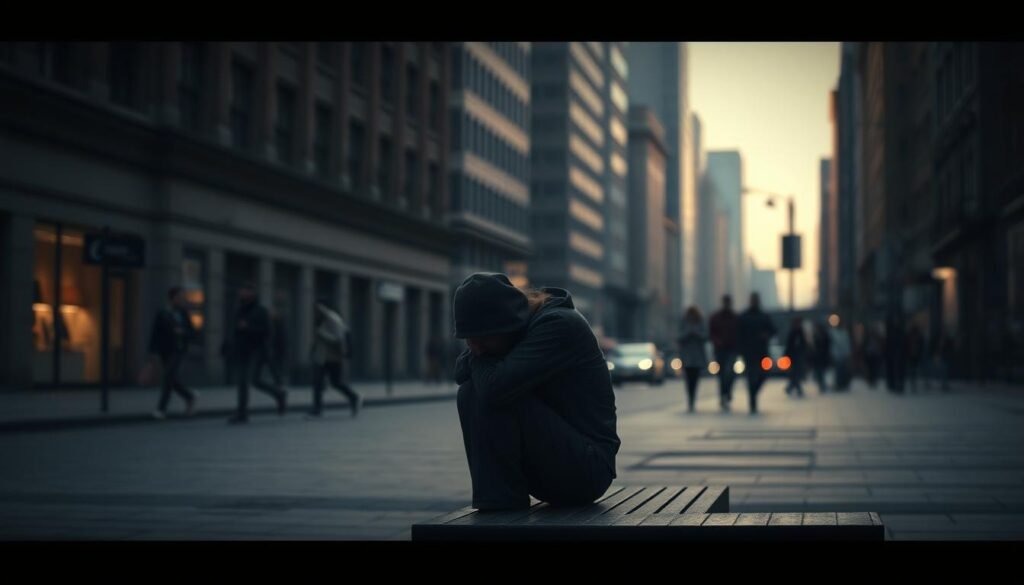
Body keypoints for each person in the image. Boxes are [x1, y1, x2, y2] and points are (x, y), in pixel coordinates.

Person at [454, 273, 620, 511]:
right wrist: (482, 352)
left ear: (508, 323)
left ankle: (500, 503)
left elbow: (492, 388)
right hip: (557, 462)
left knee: (485, 391)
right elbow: (461, 372)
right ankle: (498, 501)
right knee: (472, 390)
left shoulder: (559, 325)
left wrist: (478, 358)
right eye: (468, 340)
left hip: (588, 469)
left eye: (482, 339)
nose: (475, 347)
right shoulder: (517, 333)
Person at [228, 282, 287, 424]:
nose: (241, 293)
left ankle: (278, 395)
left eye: (244, 290)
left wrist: (248, 327)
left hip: (257, 351)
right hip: (242, 351)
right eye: (241, 290)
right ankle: (242, 413)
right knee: (243, 381)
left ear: (251, 293)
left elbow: (266, 331)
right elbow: (235, 331)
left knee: (255, 381)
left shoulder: (260, 311)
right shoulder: (239, 310)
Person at [148, 286, 198, 419]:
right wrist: (152, 351)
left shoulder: (183, 313)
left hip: (179, 349)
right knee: (170, 379)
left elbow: (193, 332)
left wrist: (183, 333)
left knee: (168, 377)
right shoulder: (163, 313)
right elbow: (155, 333)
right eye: (179, 297)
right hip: (165, 349)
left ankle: (161, 409)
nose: (182, 300)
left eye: (182, 297)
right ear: (172, 298)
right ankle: (189, 396)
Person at [308, 301, 362, 418]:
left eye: (318, 308)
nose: (316, 311)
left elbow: (338, 340)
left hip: (333, 358)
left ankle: (354, 397)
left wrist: (323, 334)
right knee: (318, 382)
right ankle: (317, 409)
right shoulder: (323, 320)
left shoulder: (333, 320)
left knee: (336, 383)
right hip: (323, 357)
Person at [738, 293, 776, 414]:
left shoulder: (764, 316)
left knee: (764, 374)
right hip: (749, 352)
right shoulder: (744, 316)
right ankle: (752, 398)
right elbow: (738, 333)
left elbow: (773, 330)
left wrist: (766, 335)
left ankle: (754, 392)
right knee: (750, 376)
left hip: (761, 352)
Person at [709, 295, 739, 411]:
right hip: (720, 350)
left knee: (730, 373)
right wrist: (718, 342)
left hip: (732, 349)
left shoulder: (735, 318)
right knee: (722, 375)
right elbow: (712, 334)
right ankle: (723, 395)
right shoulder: (716, 317)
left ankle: (727, 392)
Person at [677, 306, 708, 413]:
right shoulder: (683, 322)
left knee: (695, 379)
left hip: (697, 357)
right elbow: (679, 337)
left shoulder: (700, 322)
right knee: (688, 379)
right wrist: (688, 332)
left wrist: (696, 333)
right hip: (687, 357)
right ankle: (690, 399)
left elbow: (705, 336)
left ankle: (692, 398)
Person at [783, 317, 810, 398]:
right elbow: (789, 346)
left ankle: (791, 388)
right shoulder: (793, 333)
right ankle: (796, 389)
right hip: (793, 358)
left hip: (799, 357)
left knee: (797, 374)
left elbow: (804, 345)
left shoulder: (800, 333)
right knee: (795, 374)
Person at [811, 321, 832, 394]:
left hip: (822, 358)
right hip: (818, 358)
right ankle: (822, 385)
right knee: (819, 373)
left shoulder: (823, 336)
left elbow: (827, 346)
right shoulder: (816, 336)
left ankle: (823, 385)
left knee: (821, 373)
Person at [905, 324, 924, 392]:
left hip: (915, 355)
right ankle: (913, 382)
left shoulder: (916, 337)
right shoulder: (912, 337)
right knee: (913, 369)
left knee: (913, 369)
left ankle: (913, 382)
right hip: (912, 355)